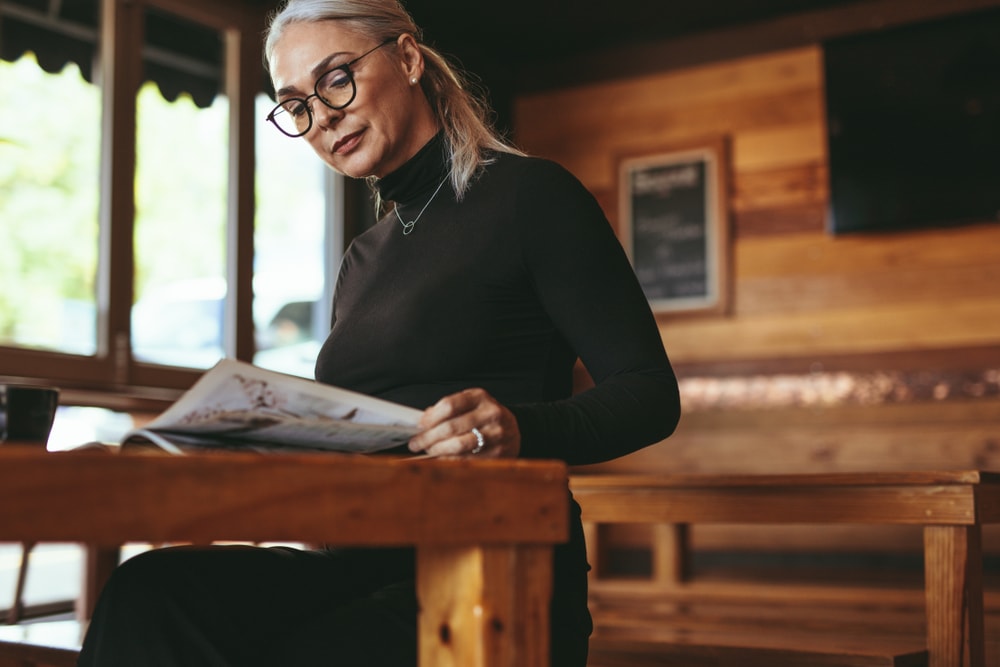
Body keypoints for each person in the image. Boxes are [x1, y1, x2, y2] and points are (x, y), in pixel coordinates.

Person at [76, 0, 681, 665]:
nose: (321, 115)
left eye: (336, 77)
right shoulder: (361, 259)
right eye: (296, 104)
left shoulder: (533, 196)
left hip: (497, 566)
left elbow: (649, 393)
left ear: (409, 58)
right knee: (150, 591)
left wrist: (518, 429)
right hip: (359, 564)